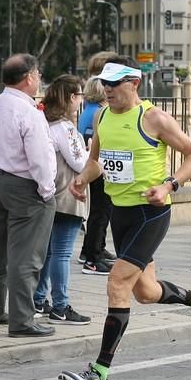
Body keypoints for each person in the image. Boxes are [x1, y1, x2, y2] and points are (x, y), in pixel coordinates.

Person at [58, 58, 191, 380]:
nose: (108, 89)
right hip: (121, 214)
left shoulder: (154, 118)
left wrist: (169, 185)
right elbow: (96, 160)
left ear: (135, 83)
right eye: (104, 83)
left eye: (115, 83)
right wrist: (82, 179)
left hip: (152, 213)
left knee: (117, 281)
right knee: (145, 292)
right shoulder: (102, 116)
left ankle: (99, 374)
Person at [0, 54, 57, 337]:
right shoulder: (28, 112)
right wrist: (47, 192)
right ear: (29, 77)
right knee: (26, 256)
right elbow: (40, 159)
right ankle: (22, 320)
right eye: (38, 74)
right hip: (24, 185)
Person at [32, 75, 92, 325]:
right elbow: (80, 162)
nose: (81, 101)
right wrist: (91, 149)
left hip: (49, 195)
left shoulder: (45, 122)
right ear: (70, 97)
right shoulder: (65, 128)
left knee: (47, 253)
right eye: (79, 96)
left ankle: (38, 299)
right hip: (68, 196)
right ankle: (61, 305)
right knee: (62, 253)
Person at [77, 51, 118, 275]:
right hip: (99, 170)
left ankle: (94, 250)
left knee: (99, 212)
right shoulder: (100, 114)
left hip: (95, 169)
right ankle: (93, 257)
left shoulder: (89, 112)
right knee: (100, 212)